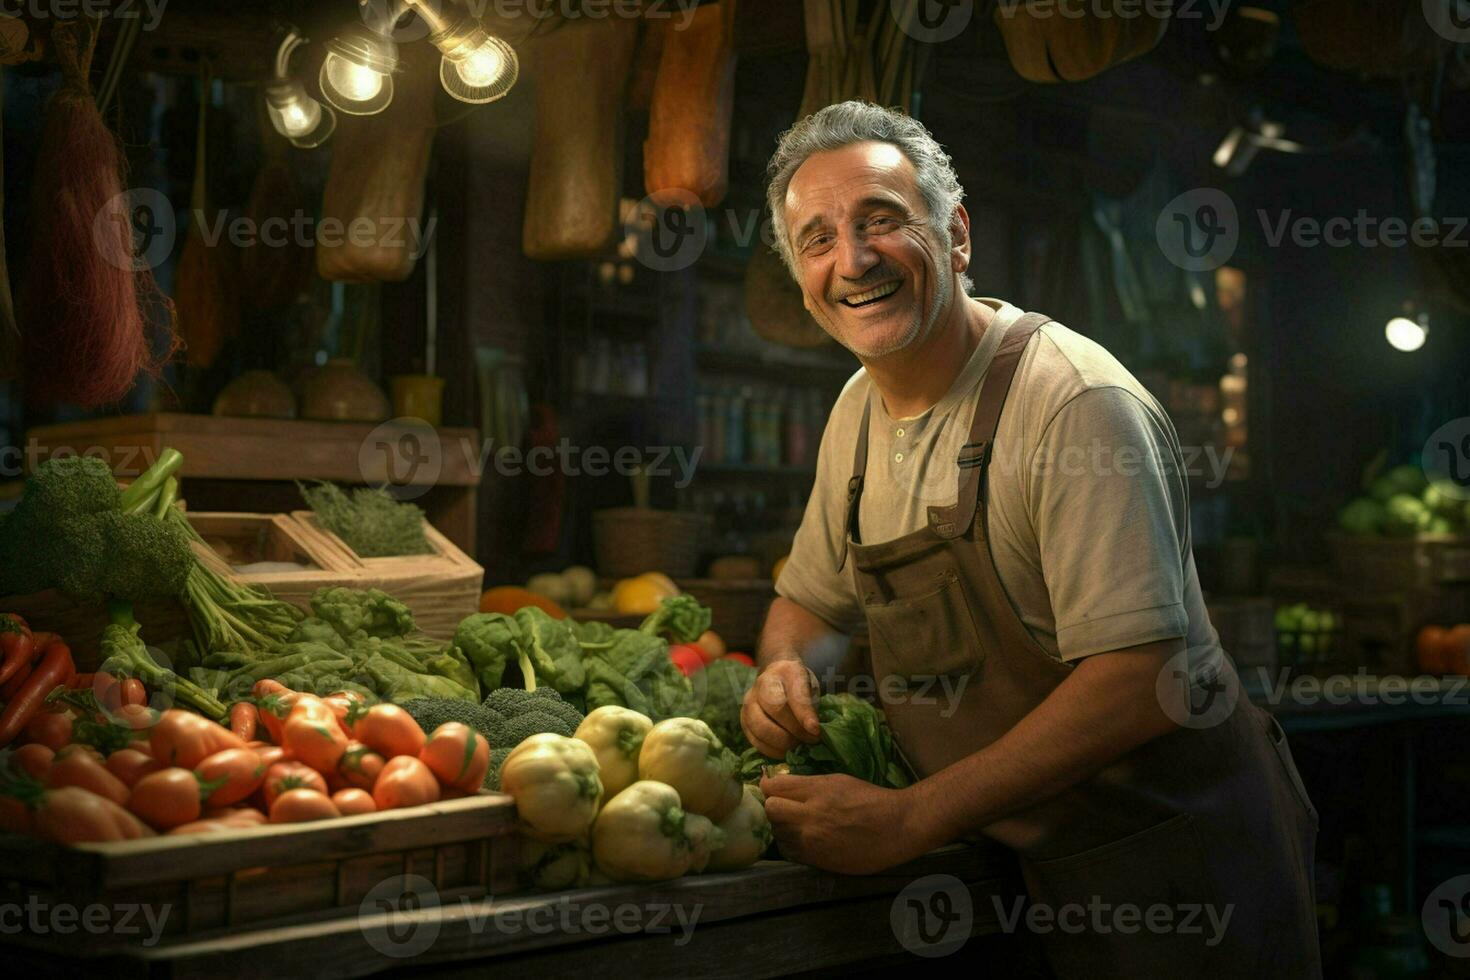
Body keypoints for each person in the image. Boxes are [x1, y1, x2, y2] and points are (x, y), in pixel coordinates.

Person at [744, 100, 1319, 978]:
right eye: (817, 239)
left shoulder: (1075, 405)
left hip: (1165, 869)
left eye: (881, 221)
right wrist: (787, 669)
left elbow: (1141, 682)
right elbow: (810, 603)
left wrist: (907, 819)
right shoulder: (855, 412)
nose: (851, 261)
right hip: (1003, 863)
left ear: (957, 234)